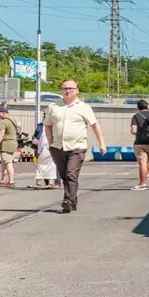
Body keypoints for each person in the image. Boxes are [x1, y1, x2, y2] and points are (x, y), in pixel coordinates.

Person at [43, 79, 106, 213]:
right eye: (65, 88)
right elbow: (47, 125)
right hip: (58, 147)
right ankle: (72, 200)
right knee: (64, 175)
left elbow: (95, 125)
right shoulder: (53, 107)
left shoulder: (84, 107)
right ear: (61, 90)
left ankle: (68, 200)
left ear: (77, 90)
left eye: (71, 88)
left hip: (77, 146)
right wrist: (50, 142)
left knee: (71, 173)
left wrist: (102, 143)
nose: (68, 91)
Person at [129, 99, 149, 190]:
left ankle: (142, 184)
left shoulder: (136, 116)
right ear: (147, 106)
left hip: (140, 143)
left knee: (143, 163)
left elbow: (133, 131)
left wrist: (141, 132)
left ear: (138, 107)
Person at [0, 106, 19, 188]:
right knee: (4, 163)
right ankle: (3, 180)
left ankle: (11, 181)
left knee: (8, 163)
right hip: (13, 142)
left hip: (6, 144)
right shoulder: (13, 120)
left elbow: (1, 134)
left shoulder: (3, 122)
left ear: (3, 113)